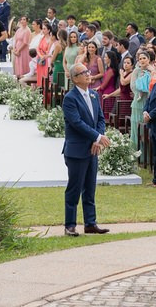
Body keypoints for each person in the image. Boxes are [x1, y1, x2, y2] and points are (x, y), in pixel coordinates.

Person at [61, 63, 111, 237]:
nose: (89, 75)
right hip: (76, 150)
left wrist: (98, 139)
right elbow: (76, 123)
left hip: (92, 150)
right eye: (84, 73)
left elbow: (100, 120)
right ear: (75, 78)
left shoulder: (94, 95)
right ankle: (70, 225)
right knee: (74, 188)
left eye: (88, 72)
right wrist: (97, 137)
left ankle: (90, 223)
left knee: (90, 188)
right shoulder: (70, 98)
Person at [129, 48, 151, 160]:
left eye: (144, 58)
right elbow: (132, 86)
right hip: (137, 104)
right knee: (135, 130)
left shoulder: (152, 72)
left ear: (148, 59)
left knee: (145, 131)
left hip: (148, 103)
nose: (142, 60)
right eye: (140, 58)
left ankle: (146, 157)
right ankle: (135, 155)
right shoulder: (136, 71)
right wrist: (140, 87)